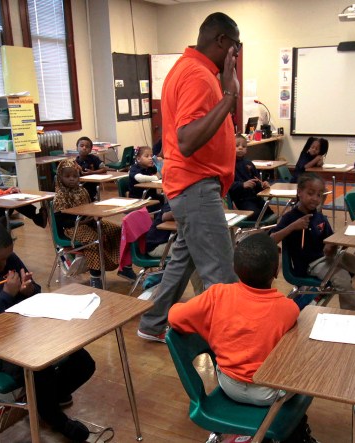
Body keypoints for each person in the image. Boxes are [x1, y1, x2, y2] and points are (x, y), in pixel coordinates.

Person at [137, 12, 241, 342]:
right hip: (195, 186)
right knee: (221, 274)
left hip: (191, 185)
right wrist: (229, 97)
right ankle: (233, 354)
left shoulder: (195, 70)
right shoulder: (197, 75)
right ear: (221, 41)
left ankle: (152, 324)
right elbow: (187, 139)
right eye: (235, 45)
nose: (236, 53)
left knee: (182, 261)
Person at [0, 219, 94, 442]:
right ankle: (51, 415)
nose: (5, 264)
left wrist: (28, 290)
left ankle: (47, 398)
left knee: (82, 361)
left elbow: (35, 291)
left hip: (29, 327)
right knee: (38, 369)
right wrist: (6, 295)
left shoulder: (8, 259)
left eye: (7, 258)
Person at [168, 234, 319, 442]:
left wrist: (207, 326)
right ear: (276, 271)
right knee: (307, 371)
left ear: (235, 268)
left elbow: (174, 317)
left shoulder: (217, 295)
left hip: (228, 384)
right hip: (268, 394)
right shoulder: (288, 309)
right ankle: (298, 435)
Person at [270, 173, 355, 312]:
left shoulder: (318, 215)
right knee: (342, 278)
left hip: (329, 257)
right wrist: (292, 227)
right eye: (310, 193)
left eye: (319, 195)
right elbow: (271, 240)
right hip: (310, 264)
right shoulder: (290, 217)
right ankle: (354, 314)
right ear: (299, 193)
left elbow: (331, 240)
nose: (315, 199)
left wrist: (337, 243)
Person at [53, 159, 136, 288]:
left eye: (75, 176)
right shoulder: (60, 196)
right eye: (67, 176)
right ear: (60, 177)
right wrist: (82, 220)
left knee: (117, 230)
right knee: (93, 239)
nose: (72, 179)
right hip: (72, 228)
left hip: (89, 222)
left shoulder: (82, 191)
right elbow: (61, 221)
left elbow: (90, 207)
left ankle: (124, 266)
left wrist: (96, 214)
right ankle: (95, 276)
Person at [228, 134, 274, 221]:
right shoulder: (228, 165)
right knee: (255, 215)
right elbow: (227, 185)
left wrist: (262, 185)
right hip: (242, 199)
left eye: (244, 146)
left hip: (255, 197)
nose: (240, 148)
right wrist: (242, 185)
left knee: (269, 213)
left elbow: (256, 180)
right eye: (237, 145)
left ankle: (270, 233)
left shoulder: (249, 163)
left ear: (246, 149)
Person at [74, 136, 107, 201]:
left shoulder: (94, 159)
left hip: (91, 186)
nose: (84, 148)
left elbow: (104, 169)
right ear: (77, 148)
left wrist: (92, 172)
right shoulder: (75, 162)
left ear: (90, 149)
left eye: (87, 146)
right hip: (79, 187)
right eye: (81, 146)